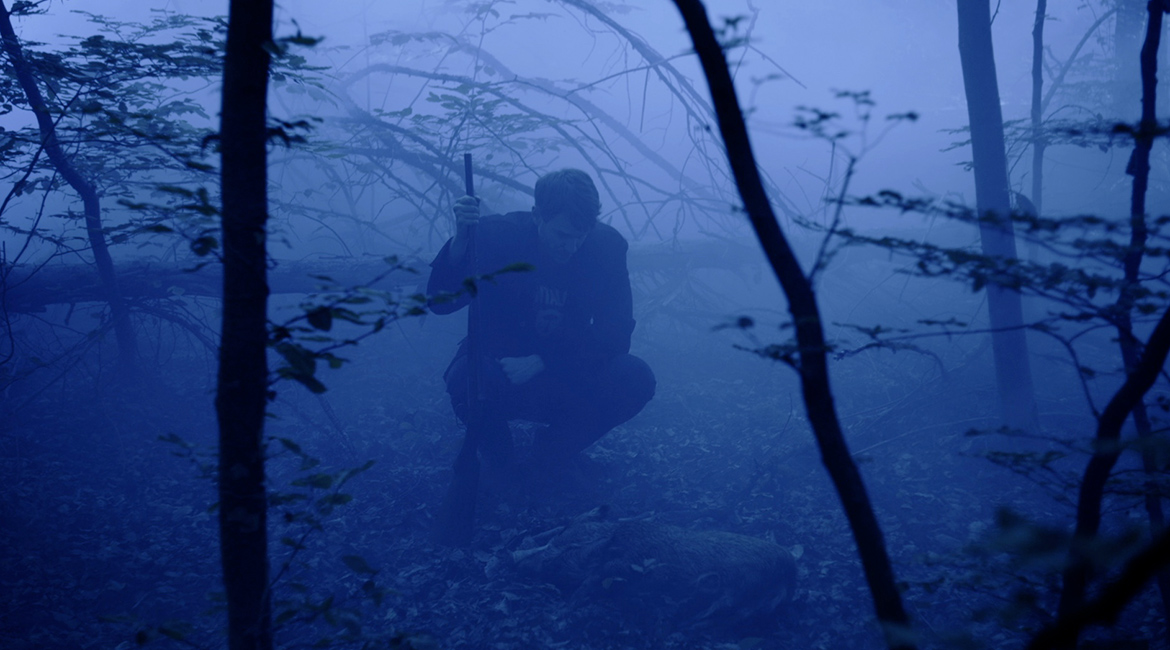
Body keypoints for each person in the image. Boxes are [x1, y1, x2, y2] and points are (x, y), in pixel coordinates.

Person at [427, 168, 655, 480]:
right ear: (537, 216)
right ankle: (501, 460)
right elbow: (441, 303)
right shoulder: (496, 235)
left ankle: (549, 455)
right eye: (562, 235)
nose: (571, 247)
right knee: (467, 376)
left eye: (581, 236)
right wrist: (460, 245)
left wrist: (544, 362)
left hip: (566, 374)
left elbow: (615, 335)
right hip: (496, 372)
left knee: (635, 377)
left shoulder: (607, 248)